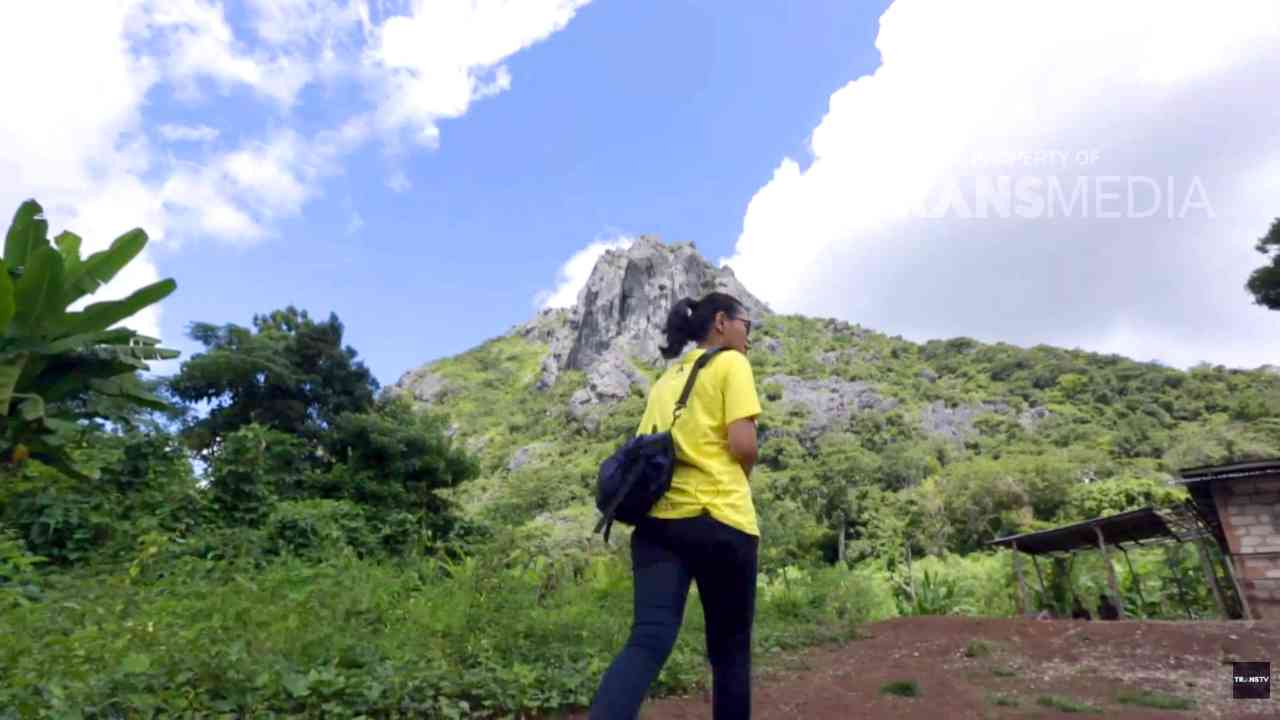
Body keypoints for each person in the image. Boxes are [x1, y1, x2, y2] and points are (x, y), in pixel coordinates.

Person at [589, 292, 762, 720]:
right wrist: (746, 472)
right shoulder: (731, 363)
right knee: (730, 652)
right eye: (747, 325)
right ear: (721, 322)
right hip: (720, 521)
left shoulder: (664, 381)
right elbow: (743, 444)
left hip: (656, 530)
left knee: (647, 641)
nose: (749, 338)